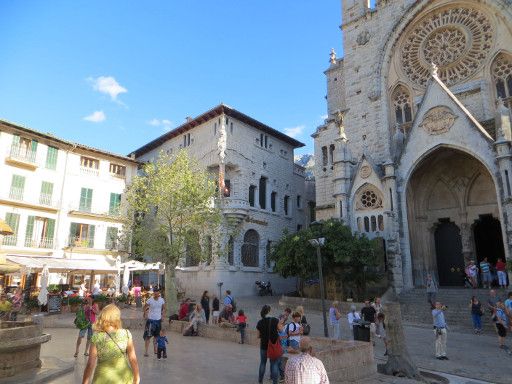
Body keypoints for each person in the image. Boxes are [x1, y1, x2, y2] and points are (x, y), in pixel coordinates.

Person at [82, 304, 140, 384]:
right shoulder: (126, 334)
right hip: (123, 377)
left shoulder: (97, 337)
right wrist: (137, 377)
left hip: (102, 378)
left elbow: (90, 364)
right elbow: (133, 359)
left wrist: (85, 381)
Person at [256, 304, 283, 384]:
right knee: (274, 363)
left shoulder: (260, 322)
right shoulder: (275, 320)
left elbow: (258, 336)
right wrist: (280, 323)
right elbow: (281, 330)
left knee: (263, 363)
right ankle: (275, 382)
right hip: (273, 344)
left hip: (264, 345)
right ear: (269, 311)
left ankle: (260, 381)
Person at [143, 289, 165, 357]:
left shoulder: (162, 300)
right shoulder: (150, 300)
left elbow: (164, 308)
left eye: (157, 294)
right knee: (148, 337)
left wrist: (162, 316)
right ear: (153, 294)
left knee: (156, 336)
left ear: (159, 294)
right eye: (155, 294)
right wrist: (145, 314)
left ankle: (155, 350)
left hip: (158, 320)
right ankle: (146, 351)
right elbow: (145, 307)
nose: (156, 295)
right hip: (151, 320)